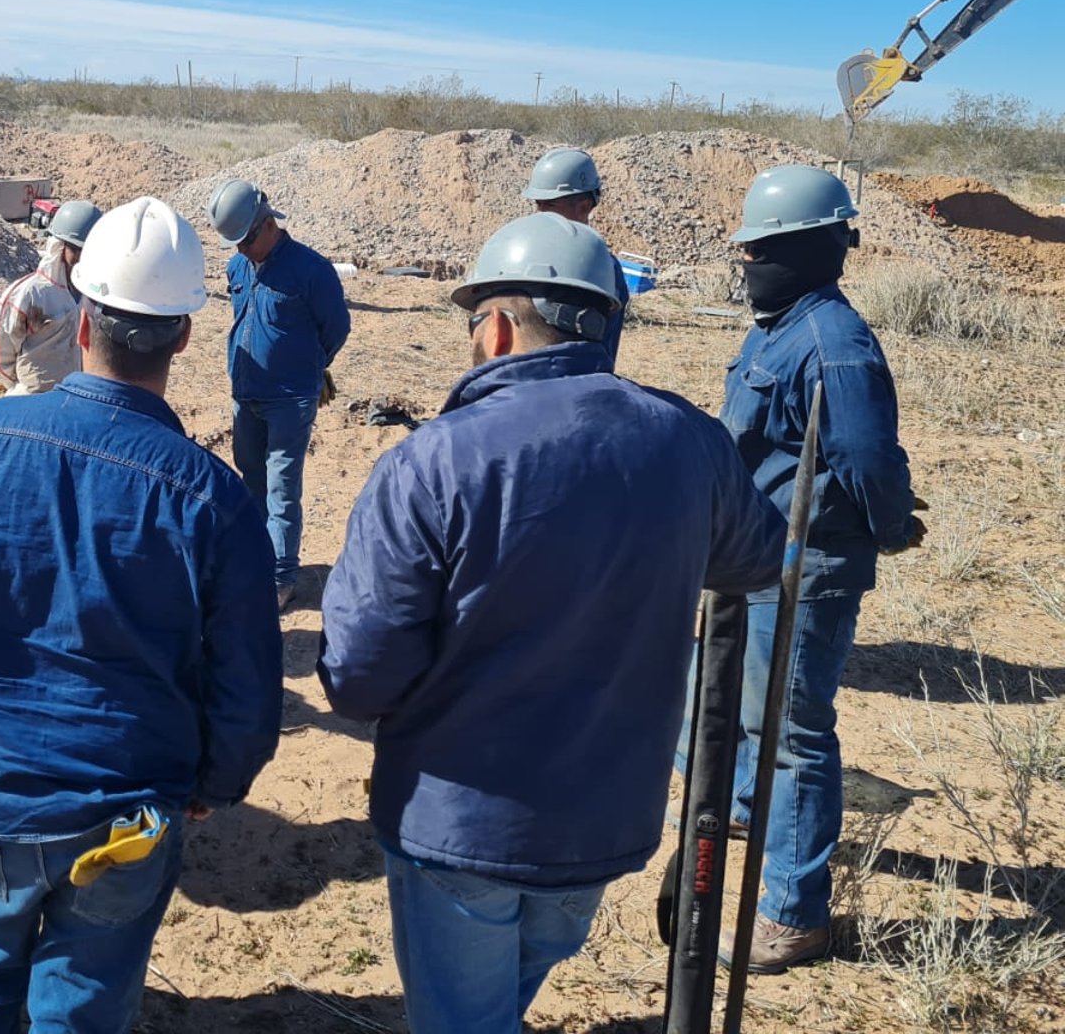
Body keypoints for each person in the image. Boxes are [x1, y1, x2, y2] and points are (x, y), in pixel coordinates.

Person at [319, 212, 785, 1034]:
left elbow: (359, 675)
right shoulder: (688, 440)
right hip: (604, 819)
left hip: (460, 825)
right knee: (508, 991)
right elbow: (757, 558)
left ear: (497, 328)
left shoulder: (434, 461)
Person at [0, 197, 283, 1034]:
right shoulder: (213, 499)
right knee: (83, 998)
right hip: (126, 807)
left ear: (81, 322)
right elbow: (247, 679)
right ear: (185, 336)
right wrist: (216, 782)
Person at [717, 165, 918, 974]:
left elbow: (867, 460)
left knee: (792, 735)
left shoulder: (836, 347)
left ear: (808, 250)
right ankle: (747, 809)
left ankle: (794, 915)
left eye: (760, 250)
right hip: (753, 553)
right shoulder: (778, 325)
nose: (748, 262)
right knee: (739, 707)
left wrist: (889, 528)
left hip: (805, 568)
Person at [206, 178, 350, 610]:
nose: (241, 250)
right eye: (235, 244)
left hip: (289, 400)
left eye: (246, 240)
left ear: (269, 224)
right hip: (245, 393)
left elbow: (336, 329)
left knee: (282, 489)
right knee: (251, 479)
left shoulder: (312, 271)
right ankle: (256, 560)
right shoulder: (238, 267)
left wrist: (308, 368)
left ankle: (281, 577)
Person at [521, 146, 631, 366]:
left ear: (584, 207)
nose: (540, 213)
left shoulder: (603, 269)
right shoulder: (525, 255)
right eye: (538, 204)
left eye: (550, 205)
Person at [0, 198, 102, 394]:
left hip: (77, 395)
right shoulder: (30, 294)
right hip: (33, 399)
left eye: (88, 251)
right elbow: (0, 352)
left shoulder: (95, 295)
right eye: (76, 250)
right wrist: (22, 386)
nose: (82, 258)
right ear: (60, 246)